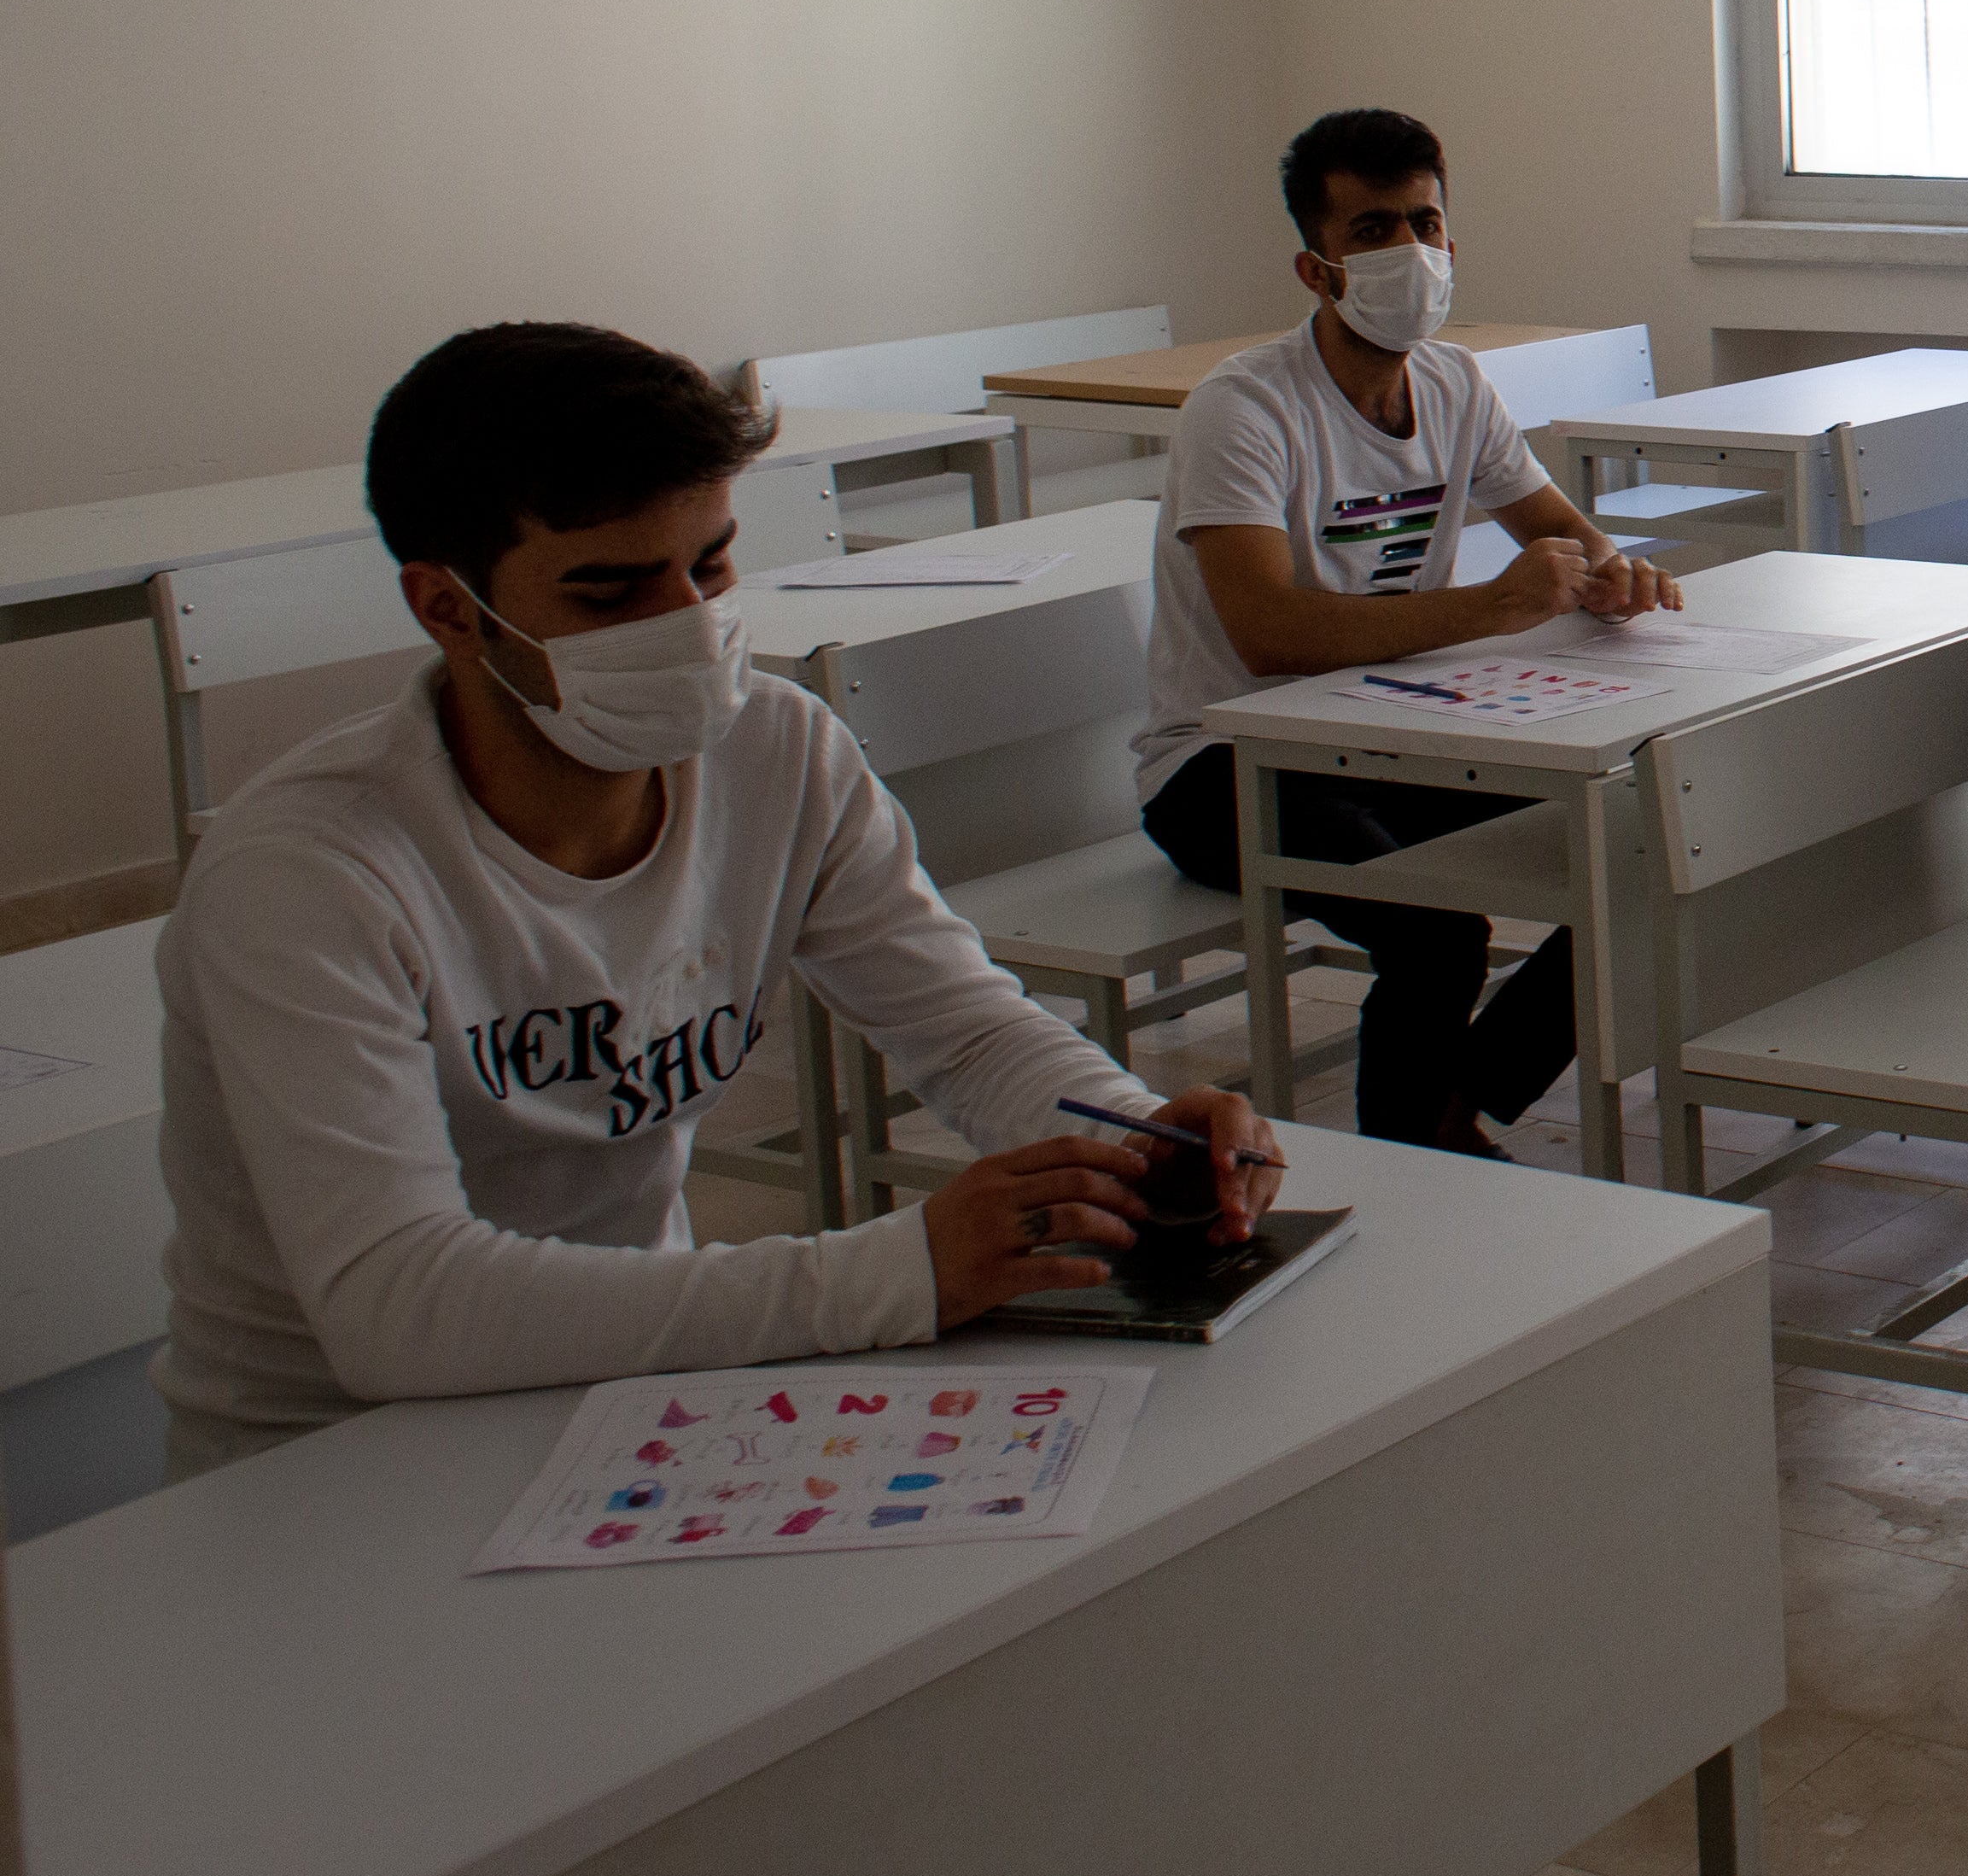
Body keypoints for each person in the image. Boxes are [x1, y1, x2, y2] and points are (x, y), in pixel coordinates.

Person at [153, 323, 1278, 1479]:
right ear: (447, 609)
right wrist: (899, 1272)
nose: (685, 622)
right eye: (609, 592)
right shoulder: (308, 874)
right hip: (324, 1469)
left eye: (712, 564)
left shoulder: (777, 754)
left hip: (632, 1394)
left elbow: (965, 1029)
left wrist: (1125, 1135)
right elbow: (399, 1308)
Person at [1135, 108, 1679, 1155]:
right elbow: (1268, 636)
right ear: (1317, 269)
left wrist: (1614, 579)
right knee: (1435, 929)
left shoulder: (1453, 385)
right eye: (1374, 232)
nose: (1409, 255)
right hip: (1223, 762)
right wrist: (1492, 605)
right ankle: (1410, 1167)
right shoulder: (1242, 411)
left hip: (1384, 731)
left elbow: (1565, 535)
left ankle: (1452, 1110)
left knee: (1636, 845)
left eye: (1424, 226)